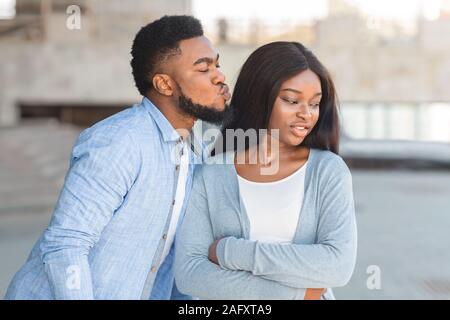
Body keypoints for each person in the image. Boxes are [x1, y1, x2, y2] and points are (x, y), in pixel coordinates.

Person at [5, 15, 231, 300]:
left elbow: (175, 262)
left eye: (217, 65)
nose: (219, 76)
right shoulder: (120, 141)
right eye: (204, 69)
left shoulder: (191, 153)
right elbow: (66, 244)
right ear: (164, 84)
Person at [174, 41, 357, 300]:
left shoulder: (328, 172)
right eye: (292, 100)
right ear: (259, 97)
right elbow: (190, 273)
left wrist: (229, 251)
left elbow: (338, 266)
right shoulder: (212, 174)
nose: (306, 114)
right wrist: (299, 294)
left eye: (314, 104)